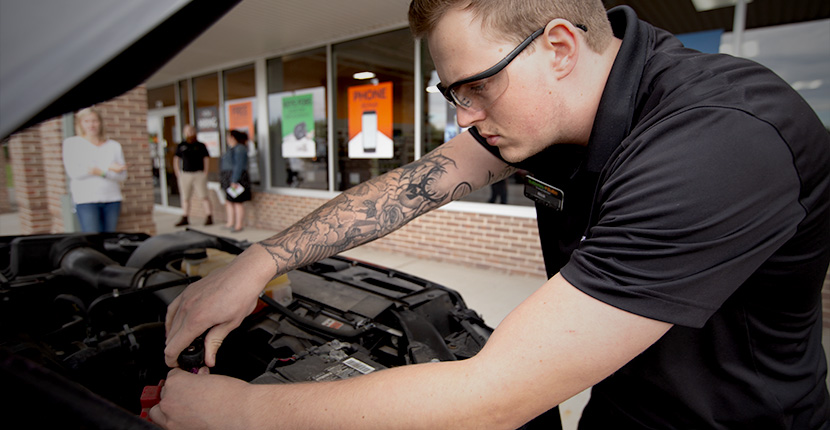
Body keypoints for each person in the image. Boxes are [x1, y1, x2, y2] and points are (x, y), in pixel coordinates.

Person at [151, 1, 830, 428]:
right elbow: (419, 182)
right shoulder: (554, 111)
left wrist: (240, 413)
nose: (464, 116)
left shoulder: (720, 143)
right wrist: (262, 258)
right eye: (451, 92)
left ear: (559, 47)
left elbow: (494, 398)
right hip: (620, 404)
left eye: (477, 87)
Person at [62, 107, 127, 233]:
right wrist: (108, 168)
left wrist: (99, 171)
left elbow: (122, 175)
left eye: (94, 121)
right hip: (86, 200)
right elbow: (74, 172)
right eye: (87, 121)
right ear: (80, 123)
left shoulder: (113, 146)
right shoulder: (72, 144)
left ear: (100, 123)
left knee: (110, 239)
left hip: (112, 199)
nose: (91, 125)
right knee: (92, 238)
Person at [173, 125, 213, 227]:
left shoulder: (200, 145)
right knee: (185, 197)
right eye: (187, 131)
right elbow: (176, 159)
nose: (189, 133)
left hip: (199, 174)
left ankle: (209, 216)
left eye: (191, 130)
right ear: (184, 133)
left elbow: (206, 158)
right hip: (186, 174)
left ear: (195, 132)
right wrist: (178, 172)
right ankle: (185, 217)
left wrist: (205, 172)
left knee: (204, 196)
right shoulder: (181, 145)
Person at [220, 129, 251, 233]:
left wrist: (234, 180)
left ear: (233, 138)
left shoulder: (240, 149)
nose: (227, 139)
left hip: (236, 178)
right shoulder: (231, 149)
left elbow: (239, 166)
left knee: (238, 202)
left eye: (228, 137)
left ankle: (238, 225)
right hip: (228, 177)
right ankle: (230, 222)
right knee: (229, 201)